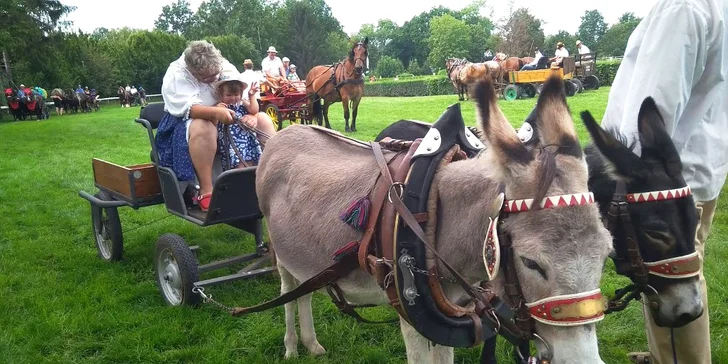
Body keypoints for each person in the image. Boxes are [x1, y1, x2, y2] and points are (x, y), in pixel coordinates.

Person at [600, 0, 728, 363]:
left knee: (674, 279)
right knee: (678, 271)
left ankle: (675, 358)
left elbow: (653, 104)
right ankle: (665, 353)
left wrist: (625, 182)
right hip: (698, 170)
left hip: (665, 186)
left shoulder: (682, 7)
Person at [155, 40, 277, 212]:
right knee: (203, 126)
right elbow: (191, 109)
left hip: (228, 115)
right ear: (194, 72)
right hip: (187, 122)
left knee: (263, 119)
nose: (214, 80)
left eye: (216, 75)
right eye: (208, 78)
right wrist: (215, 112)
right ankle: (207, 189)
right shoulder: (176, 75)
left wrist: (252, 114)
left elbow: (241, 94)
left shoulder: (222, 65)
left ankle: (273, 177)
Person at [213, 69, 263, 169]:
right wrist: (217, 111)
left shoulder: (242, 103)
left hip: (247, 140)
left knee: (250, 160)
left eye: (236, 95)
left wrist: (251, 95)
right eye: (228, 95)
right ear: (221, 94)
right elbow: (214, 121)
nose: (233, 98)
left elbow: (254, 110)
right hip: (231, 142)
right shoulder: (220, 106)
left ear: (241, 93)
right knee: (237, 163)